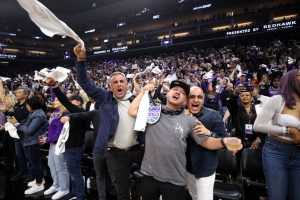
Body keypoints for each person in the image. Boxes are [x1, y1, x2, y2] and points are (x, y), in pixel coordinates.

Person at [128, 80, 242, 200]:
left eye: (182, 92)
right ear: (167, 93)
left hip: (175, 179)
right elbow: (132, 111)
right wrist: (143, 92)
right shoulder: (154, 110)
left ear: (184, 100)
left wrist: (224, 142)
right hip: (149, 175)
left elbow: (207, 142)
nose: (177, 92)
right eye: (174, 89)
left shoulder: (190, 120)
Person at [74, 44, 143, 200]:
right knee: (121, 191)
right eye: (115, 82)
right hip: (116, 153)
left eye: (122, 81)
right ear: (110, 86)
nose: (119, 84)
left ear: (127, 84)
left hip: (138, 150)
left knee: (145, 187)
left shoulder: (135, 100)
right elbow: (84, 82)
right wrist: (81, 59)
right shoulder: (105, 98)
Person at [253, 69, 300, 200]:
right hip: (276, 152)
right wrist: (289, 130)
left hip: (298, 154)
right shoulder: (278, 100)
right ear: (291, 80)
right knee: (278, 197)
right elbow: (258, 125)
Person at [45, 77, 88, 200]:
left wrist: (55, 87)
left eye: (72, 101)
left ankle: (80, 196)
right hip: (68, 146)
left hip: (74, 148)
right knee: (72, 173)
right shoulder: (72, 113)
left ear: (79, 102)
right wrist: (53, 87)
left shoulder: (81, 113)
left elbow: (64, 101)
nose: (68, 103)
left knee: (75, 173)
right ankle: (75, 193)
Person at [185, 86, 227, 200]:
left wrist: (209, 132)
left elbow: (224, 140)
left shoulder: (213, 115)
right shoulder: (181, 115)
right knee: (194, 196)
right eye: (192, 97)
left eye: (199, 97)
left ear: (203, 99)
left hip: (205, 169)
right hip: (188, 168)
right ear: (186, 99)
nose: (195, 100)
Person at [39, 97, 70, 200]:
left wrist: (48, 139)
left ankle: (64, 188)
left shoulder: (65, 114)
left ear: (63, 102)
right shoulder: (56, 112)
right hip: (52, 143)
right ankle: (56, 185)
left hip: (59, 144)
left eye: (57, 100)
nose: (54, 101)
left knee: (61, 167)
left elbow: (61, 133)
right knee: (51, 164)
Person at [16, 95, 48, 194]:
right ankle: (39, 179)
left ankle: (39, 184)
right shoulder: (33, 112)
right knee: (32, 162)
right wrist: (22, 125)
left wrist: (17, 125)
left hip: (34, 142)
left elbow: (29, 130)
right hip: (29, 141)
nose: (26, 107)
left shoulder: (39, 115)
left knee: (35, 163)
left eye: (27, 105)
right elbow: (25, 124)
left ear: (32, 105)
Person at [227, 84, 263, 148]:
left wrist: (258, 138)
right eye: (242, 95)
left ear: (251, 97)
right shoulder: (236, 109)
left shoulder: (258, 108)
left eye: (247, 95)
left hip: (254, 142)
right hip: (238, 141)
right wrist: (234, 94)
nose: (245, 97)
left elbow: (263, 125)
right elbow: (230, 104)